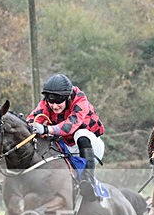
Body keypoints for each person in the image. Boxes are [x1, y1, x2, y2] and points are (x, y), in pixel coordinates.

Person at [25, 73, 105, 201]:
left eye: (58, 102)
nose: (54, 106)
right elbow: (32, 120)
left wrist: (46, 128)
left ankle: (88, 180)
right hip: (65, 146)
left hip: (90, 146)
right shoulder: (46, 103)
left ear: (67, 98)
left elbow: (70, 126)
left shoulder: (80, 100)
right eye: (51, 102)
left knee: (81, 133)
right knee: (42, 138)